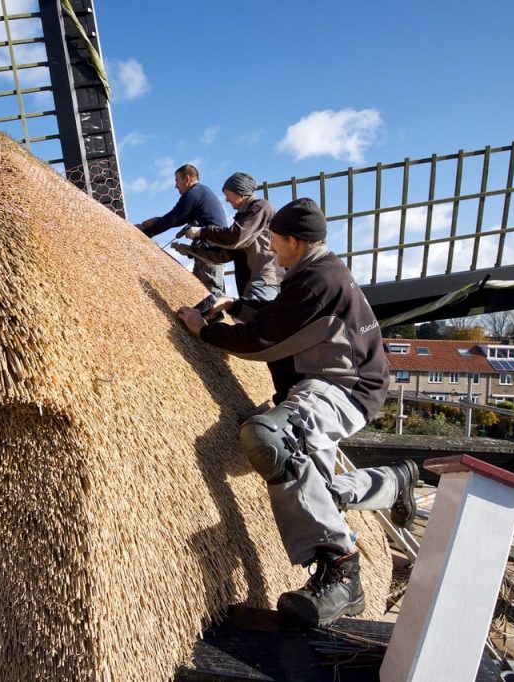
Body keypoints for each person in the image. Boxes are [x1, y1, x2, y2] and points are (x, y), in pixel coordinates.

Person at [176, 198, 418, 628]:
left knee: (271, 439)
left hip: (343, 388)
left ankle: (342, 571)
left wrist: (203, 329)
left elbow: (263, 341)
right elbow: (287, 320)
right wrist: (235, 306)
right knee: (316, 488)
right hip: (349, 382)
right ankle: (392, 481)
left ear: (293, 241)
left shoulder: (315, 280)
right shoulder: (317, 270)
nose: (268, 245)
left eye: (273, 238)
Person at [182, 172, 282, 309]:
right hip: (252, 283)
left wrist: (202, 231)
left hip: (265, 280)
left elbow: (235, 238)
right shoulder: (245, 220)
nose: (226, 199)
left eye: (228, 194)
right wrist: (191, 251)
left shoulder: (261, 207)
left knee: (256, 321)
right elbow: (224, 255)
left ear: (240, 191)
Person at [137, 164, 229, 297]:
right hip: (208, 252)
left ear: (187, 179)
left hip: (211, 253)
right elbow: (179, 219)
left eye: (177, 180)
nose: (176, 186)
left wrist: (146, 233)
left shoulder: (193, 193)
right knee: (201, 295)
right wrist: (153, 222)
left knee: (212, 296)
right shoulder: (201, 193)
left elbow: (173, 218)